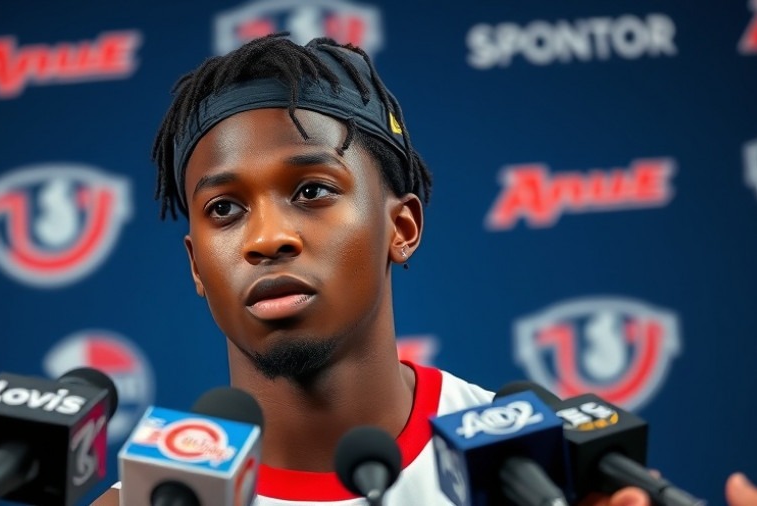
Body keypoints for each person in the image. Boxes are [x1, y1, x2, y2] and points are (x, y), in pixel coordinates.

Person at [148, 33, 750, 505]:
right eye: (224, 209)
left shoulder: (543, 479)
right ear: (196, 264)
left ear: (403, 228)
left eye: (312, 191)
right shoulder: (147, 500)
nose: (267, 238)